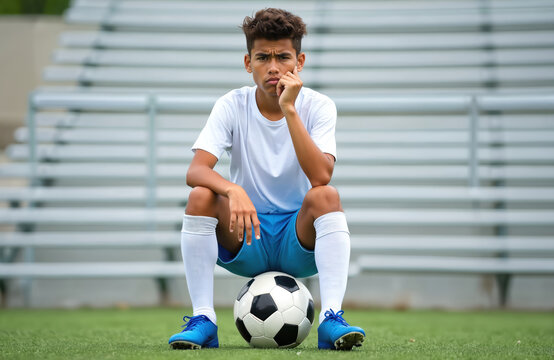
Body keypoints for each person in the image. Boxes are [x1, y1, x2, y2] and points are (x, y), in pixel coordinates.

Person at [168, 8, 365, 350]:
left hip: (298, 241)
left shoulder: (318, 106)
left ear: (299, 61)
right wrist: (232, 190)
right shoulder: (232, 104)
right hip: (247, 233)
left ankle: (331, 318)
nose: (274, 67)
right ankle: (204, 320)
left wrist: (289, 109)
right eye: (263, 57)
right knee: (201, 195)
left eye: (283, 57)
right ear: (248, 63)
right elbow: (195, 171)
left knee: (326, 196)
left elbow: (320, 176)